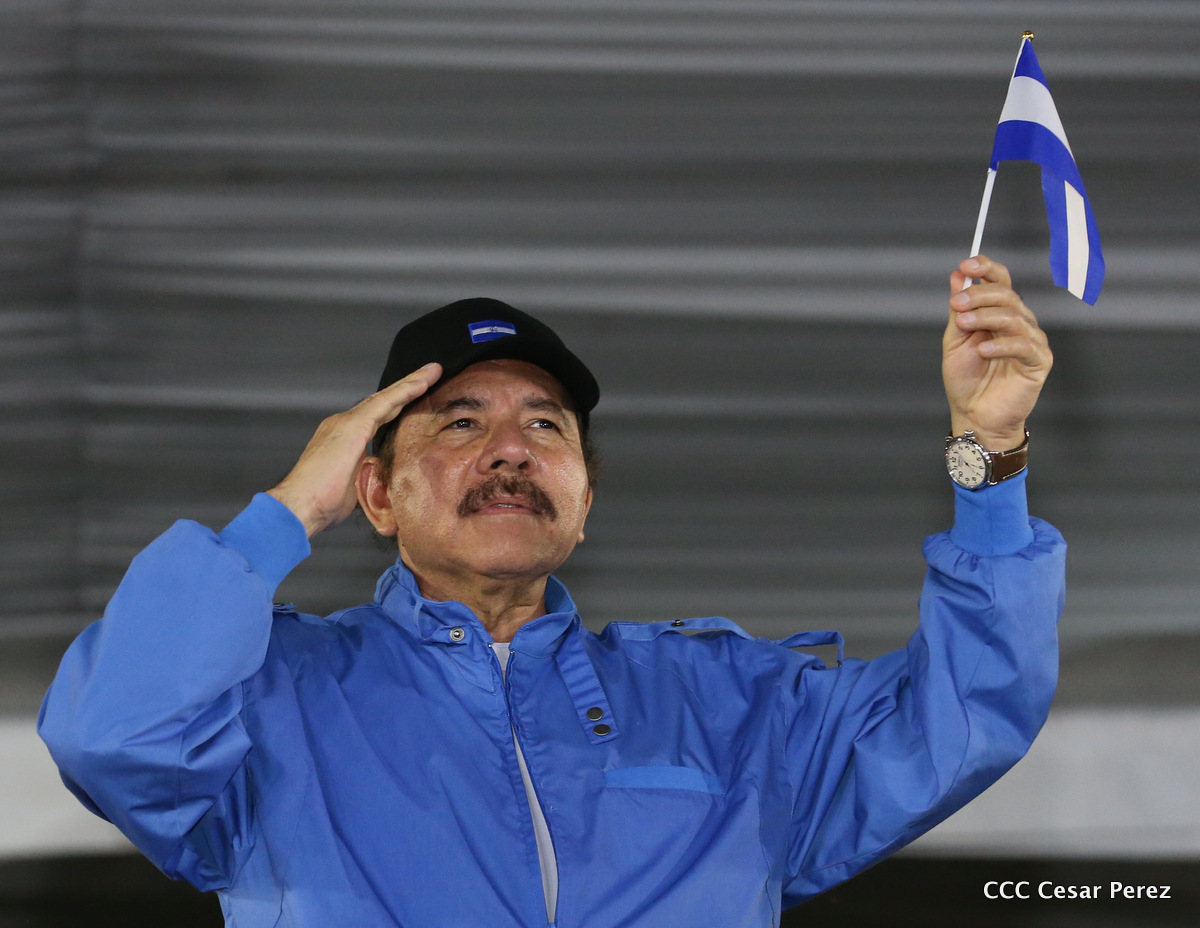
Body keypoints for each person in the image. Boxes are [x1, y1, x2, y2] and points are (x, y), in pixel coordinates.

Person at [39, 255, 1064, 928]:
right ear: (375, 493)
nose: (509, 450)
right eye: (459, 422)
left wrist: (991, 450)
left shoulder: (727, 703)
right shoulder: (271, 699)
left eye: (545, 425)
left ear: (584, 499)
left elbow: (967, 714)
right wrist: (287, 514)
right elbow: (113, 735)